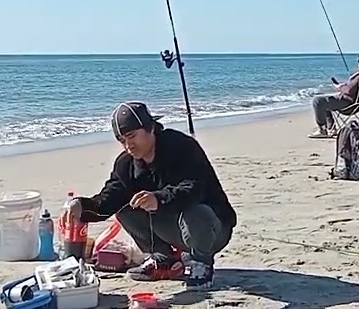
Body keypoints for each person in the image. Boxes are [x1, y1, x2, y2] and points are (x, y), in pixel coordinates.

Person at [66, 102, 237, 290]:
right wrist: (82, 207)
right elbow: (108, 200)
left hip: (213, 227)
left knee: (194, 211)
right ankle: (163, 258)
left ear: (150, 128)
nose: (128, 145)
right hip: (172, 227)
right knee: (124, 208)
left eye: (131, 136)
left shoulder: (182, 147)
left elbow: (195, 189)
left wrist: (159, 198)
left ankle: (201, 263)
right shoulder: (126, 164)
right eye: (122, 140)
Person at [309, 51, 359, 138]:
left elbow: (349, 91)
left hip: (349, 104)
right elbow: (353, 88)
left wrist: (340, 87)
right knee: (326, 100)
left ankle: (322, 130)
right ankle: (331, 128)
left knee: (318, 101)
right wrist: (350, 81)